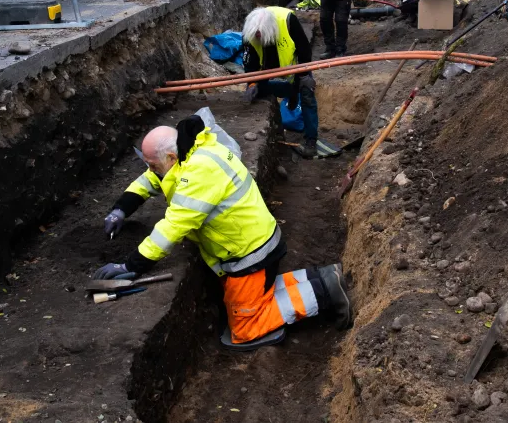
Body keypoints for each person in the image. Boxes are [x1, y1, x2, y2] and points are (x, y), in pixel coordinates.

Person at [97, 118, 352, 349]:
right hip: (253, 245)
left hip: (249, 256)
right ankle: (321, 276)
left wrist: (131, 265)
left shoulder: (198, 172)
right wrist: (120, 209)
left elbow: (172, 227)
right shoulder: (192, 150)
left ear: (171, 158)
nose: (151, 171)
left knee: (244, 329)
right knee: (253, 297)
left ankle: (325, 292)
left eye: (153, 165)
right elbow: (149, 180)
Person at [240, 6, 318, 158]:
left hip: (295, 66)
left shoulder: (288, 21)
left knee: (307, 94)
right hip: (267, 66)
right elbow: (250, 62)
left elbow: (304, 49)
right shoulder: (249, 31)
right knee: (258, 91)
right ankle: (291, 92)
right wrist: (251, 83)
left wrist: (303, 76)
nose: (257, 37)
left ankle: (311, 141)